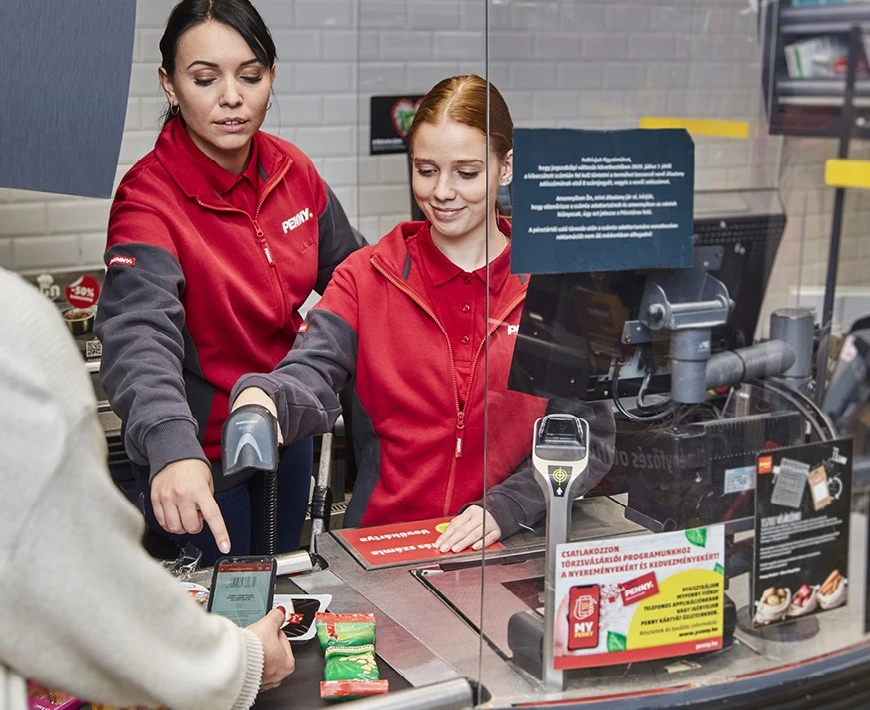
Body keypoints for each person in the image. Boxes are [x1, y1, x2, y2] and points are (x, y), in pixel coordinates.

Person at [231, 75, 615, 552]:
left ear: (506, 167)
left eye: (467, 173)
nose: (442, 192)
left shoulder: (553, 288)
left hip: (503, 547)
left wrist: (508, 507)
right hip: (383, 547)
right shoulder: (368, 276)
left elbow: (587, 439)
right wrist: (263, 399)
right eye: (426, 170)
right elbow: (310, 369)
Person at [95, 0, 365, 565]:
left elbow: (359, 280)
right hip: (198, 460)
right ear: (169, 85)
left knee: (282, 594)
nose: (232, 98)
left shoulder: (294, 172)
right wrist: (170, 445)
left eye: (250, 75)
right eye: (204, 79)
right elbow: (139, 335)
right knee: (217, 612)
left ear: (271, 77)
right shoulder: (148, 200)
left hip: (284, 438)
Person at [0, 268, 294, 710]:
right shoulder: (14, 330)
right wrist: (239, 664)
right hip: (199, 453)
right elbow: (84, 585)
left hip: (273, 438)